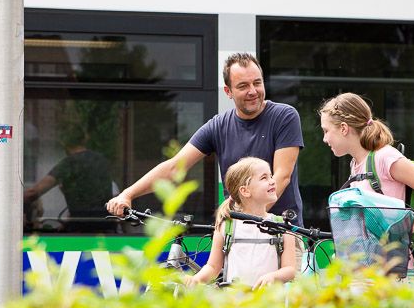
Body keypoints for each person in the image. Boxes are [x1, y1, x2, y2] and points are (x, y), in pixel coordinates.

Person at [106, 53, 304, 224]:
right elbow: (175, 167)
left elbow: (282, 176)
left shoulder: (284, 116)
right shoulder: (218, 126)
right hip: (237, 233)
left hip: (282, 231)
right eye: (243, 86)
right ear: (228, 91)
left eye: (257, 83)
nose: (253, 91)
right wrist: (127, 194)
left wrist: (247, 217)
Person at [319, 92, 414, 232]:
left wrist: (403, 232)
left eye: (326, 131)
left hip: (393, 254)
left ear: (344, 128)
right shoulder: (355, 164)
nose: (324, 139)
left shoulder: (385, 157)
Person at [185, 157, 297, 289]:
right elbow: (213, 267)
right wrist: (197, 279)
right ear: (245, 191)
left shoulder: (282, 226)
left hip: (269, 305)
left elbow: (290, 269)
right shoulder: (226, 226)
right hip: (234, 305)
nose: (272, 181)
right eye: (264, 178)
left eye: (271, 176)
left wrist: (274, 276)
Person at [24, 143, 115, 233]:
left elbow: (33, 193)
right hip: (107, 231)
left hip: (82, 232)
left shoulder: (70, 163)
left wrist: (14, 200)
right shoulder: (101, 161)